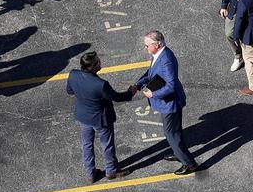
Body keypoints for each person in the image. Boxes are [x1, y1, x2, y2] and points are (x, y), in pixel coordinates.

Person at [134, 31, 198, 175]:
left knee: (171, 134)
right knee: (176, 132)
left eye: (147, 45)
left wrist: (153, 94)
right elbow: (152, 72)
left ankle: (189, 164)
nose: (145, 48)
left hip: (170, 104)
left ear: (156, 45)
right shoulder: (159, 55)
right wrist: (139, 84)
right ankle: (178, 153)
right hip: (170, 102)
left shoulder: (167, 60)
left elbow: (171, 86)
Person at [65, 51, 133, 183]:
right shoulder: (101, 84)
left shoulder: (73, 74)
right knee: (107, 145)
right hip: (100, 119)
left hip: (84, 116)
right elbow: (117, 97)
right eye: (98, 61)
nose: (100, 62)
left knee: (86, 144)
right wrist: (130, 93)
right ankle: (111, 171)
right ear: (93, 67)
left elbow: (69, 91)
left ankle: (90, 173)